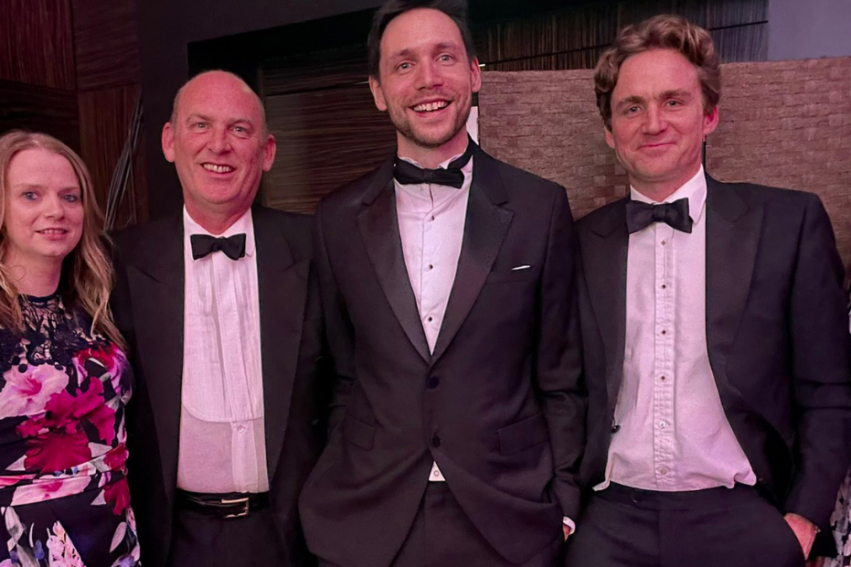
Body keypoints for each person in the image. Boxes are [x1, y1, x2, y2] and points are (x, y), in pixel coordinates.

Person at [298, 2, 585, 567]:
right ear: (378, 90)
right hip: (371, 517)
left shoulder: (539, 207)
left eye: (444, 57)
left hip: (508, 513)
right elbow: (342, 372)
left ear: (474, 73)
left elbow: (562, 374)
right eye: (403, 65)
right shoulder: (335, 218)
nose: (428, 79)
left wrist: (567, 498)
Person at [565, 14, 851, 567]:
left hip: (747, 514)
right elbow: (558, 390)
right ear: (609, 131)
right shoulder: (575, 242)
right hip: (609, 521)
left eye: (673, 101)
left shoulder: (788, 224)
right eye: (632, 107)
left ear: (709, 115)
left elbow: (829, 388)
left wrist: (803, 519)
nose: (653, 123)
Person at [111, 71, 325, 567]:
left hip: (294, 537)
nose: (219, 145)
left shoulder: (318, 247)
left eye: (239, 130)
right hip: (170, 538)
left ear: (267, 152)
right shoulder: (118, 260)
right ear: (170, 141)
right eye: (200, 125)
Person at [0, 130, 139, 566]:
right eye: (30, 195)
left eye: (70, 196)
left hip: (113, 529)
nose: (55, 211)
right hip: (19, 542)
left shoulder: (98, 302)